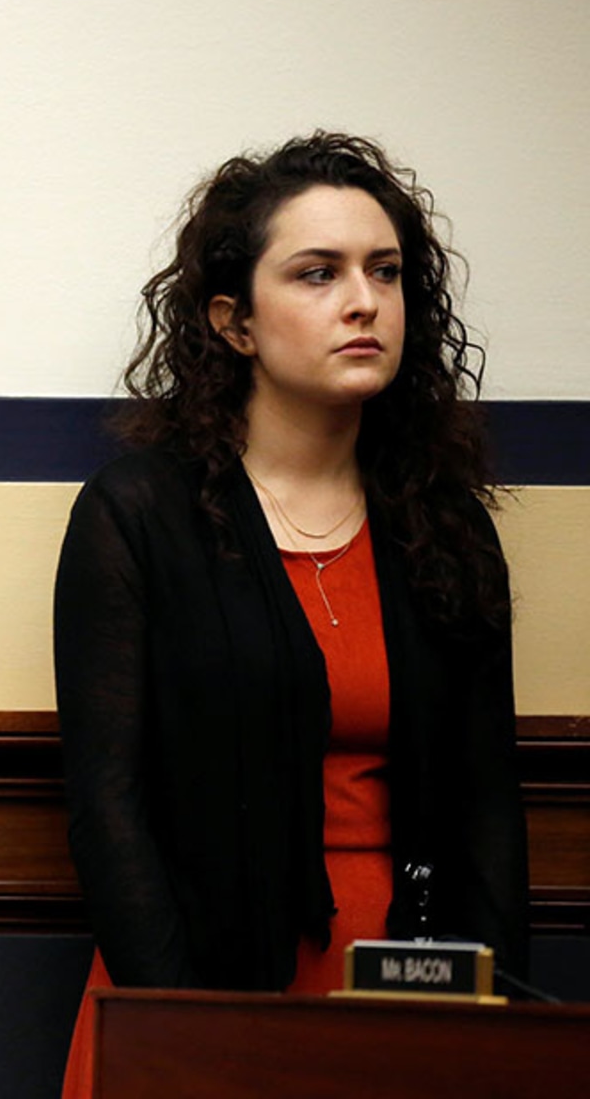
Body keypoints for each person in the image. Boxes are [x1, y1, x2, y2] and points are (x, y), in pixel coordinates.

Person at [53, 133, 528, 1096]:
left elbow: (487, 806)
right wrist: (180, 1025)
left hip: (404, 992)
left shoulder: (444, 524)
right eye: (318, 274)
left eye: (385, 272)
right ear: (234, 322)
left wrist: (493, 1026)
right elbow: (109, 804)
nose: (363, 301)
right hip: (193, 990)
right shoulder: (140, 513)